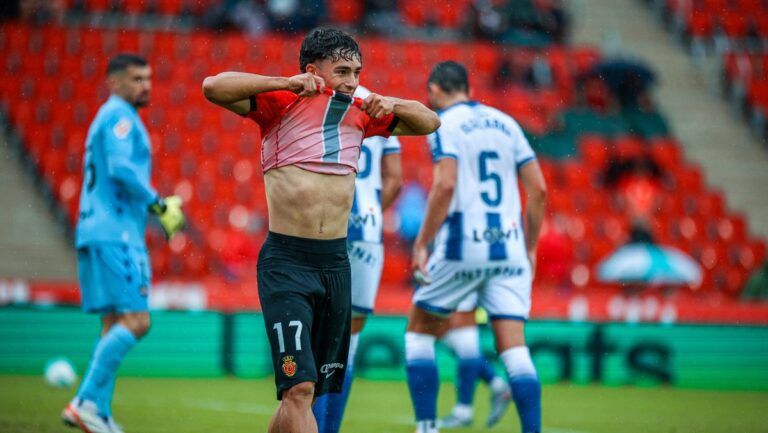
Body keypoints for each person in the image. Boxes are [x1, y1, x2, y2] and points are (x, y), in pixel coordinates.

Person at [202, 28, 440, 433]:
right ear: (313, 70)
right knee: (298, 391)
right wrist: (286, 81)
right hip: (287, 263)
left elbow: (430, 121)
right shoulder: (279, 103)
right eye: (342, 71)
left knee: (305, 394)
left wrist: (391, 101)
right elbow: (213, 86)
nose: (351, 81)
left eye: (357, 72)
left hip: (335, 264)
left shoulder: (364, 111)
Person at [406, 61, 546, 433]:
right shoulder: (506, 123)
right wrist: (530, 247)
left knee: (419, 336)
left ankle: (426, 428)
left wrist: (421, 243)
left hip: (463, 244)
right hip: (510, 249)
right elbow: (539, 190)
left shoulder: (441, 124)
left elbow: (445, 184)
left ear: (435, 90)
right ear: (467, 87)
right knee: (515, 351)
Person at [61, 54, 186, 433]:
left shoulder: (109, 116)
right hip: (117, 234)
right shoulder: (119, 116)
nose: (146, 85)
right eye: (136, 78)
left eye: (148, 78)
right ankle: (84, 402)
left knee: (113, 323)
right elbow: (120, 168)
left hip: (95, 229)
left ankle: (97, 411)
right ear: (114, 83)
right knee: (137, 320)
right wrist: (157, 203)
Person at [312, 84, 403, 433]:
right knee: (348, 340)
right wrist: (371, 213)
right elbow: (394, 180)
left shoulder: (315, 99)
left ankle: (313, 425)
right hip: (366, 232)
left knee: (316, 336)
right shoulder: (377, 103)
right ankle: (329, 429)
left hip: (321, 226)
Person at [437, 299, 512, 429]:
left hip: (463, 287)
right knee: (462, 349)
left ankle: (463, 412)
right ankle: (498, 386)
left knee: (461, 337)